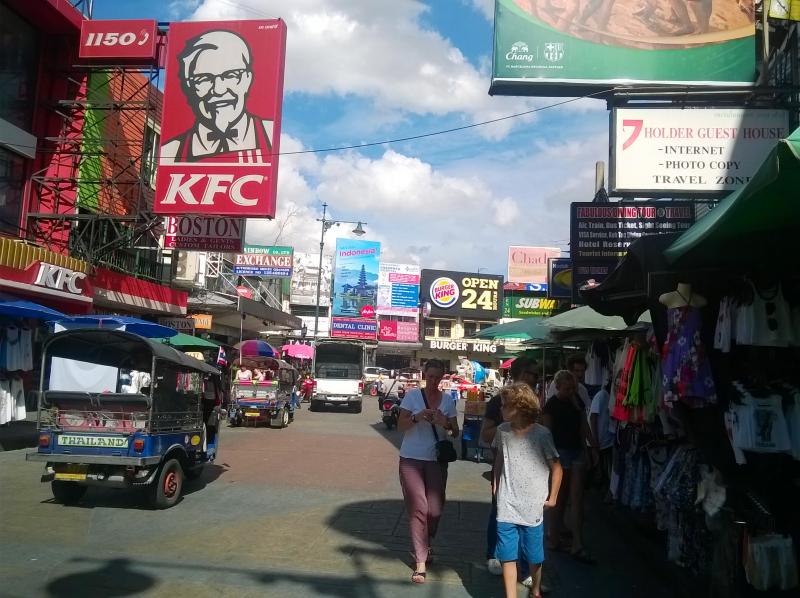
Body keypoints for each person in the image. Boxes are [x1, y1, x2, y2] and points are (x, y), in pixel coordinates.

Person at [161, 30, 274, 164]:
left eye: (231, 75)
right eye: (203, 78)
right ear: (189, 85)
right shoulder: (169, 153)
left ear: (247, 79)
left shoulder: (270, 134)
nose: (218, 90)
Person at [493, 383, 563, 598]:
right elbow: (499, 458)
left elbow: (557, 467)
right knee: (507, 555)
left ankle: (535, 589)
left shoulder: (542, 434)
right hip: (507, 503)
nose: (501, 409)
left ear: (520, 406)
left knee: (534, 555)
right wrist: (496, 484)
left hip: (533, 505)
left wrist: (552, 497)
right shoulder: (502, 431)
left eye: (505, 405)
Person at [397, 359, 460, 584]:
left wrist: (445, 423)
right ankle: (420, 561)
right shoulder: (413, 396)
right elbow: (400, 426)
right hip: (411, 458)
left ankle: (426, 544)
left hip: (436, 460)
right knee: (418, 508)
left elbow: (456, 433)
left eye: (437, 377)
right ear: (424, 376)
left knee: (434, 510)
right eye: (430, 376)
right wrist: (417, 416)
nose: (433, 381)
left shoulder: (448, 400)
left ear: (443, 378)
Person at [481, 355, 540, 577]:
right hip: (504, 465)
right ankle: (493, 554)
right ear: (522, 375)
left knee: (528, 515)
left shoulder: (535, 400)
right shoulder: (499, 402)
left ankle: (524, 565)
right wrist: (508, 427)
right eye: (534, 374)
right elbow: (485, 435)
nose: (537, 378)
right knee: (499, 510)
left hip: (530, 468)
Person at [543, 370, 599, 564]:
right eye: (566, 388)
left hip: (576, 451)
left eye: (572, 388)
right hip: (561, 453)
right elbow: (547, 433)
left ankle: (576, 542)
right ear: (557, 387)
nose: (570, 391)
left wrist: (592, 447)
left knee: (575, 498)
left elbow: (584, 426)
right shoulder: (551, 405)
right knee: (560, 497)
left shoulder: (577, 403)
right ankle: (555, 536)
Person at [590, 377, 617, 499]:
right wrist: (595, 441)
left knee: (606, 469)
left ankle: (606, 493)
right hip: (600, 440)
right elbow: (593, 417)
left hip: (607, 440)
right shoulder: (601, 396)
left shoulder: (610, 397)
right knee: (600, 469)